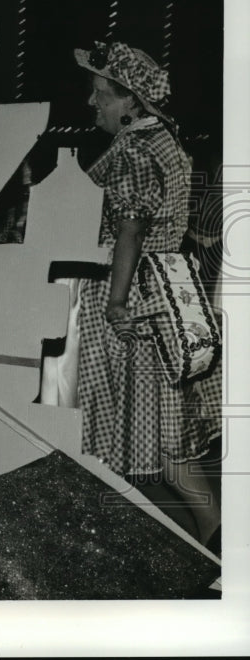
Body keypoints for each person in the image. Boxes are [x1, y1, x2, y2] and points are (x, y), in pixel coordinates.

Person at [73, 41, 221, 551]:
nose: (93, 103)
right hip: (169, 286)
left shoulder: (134, 149)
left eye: (101, 94)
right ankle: (213, 536)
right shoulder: (165, 140)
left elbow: (131, 229)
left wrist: (115, 304)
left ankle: (178, 546)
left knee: (138, 432)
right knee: (165, 433)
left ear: (131, 101)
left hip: (135, 293)